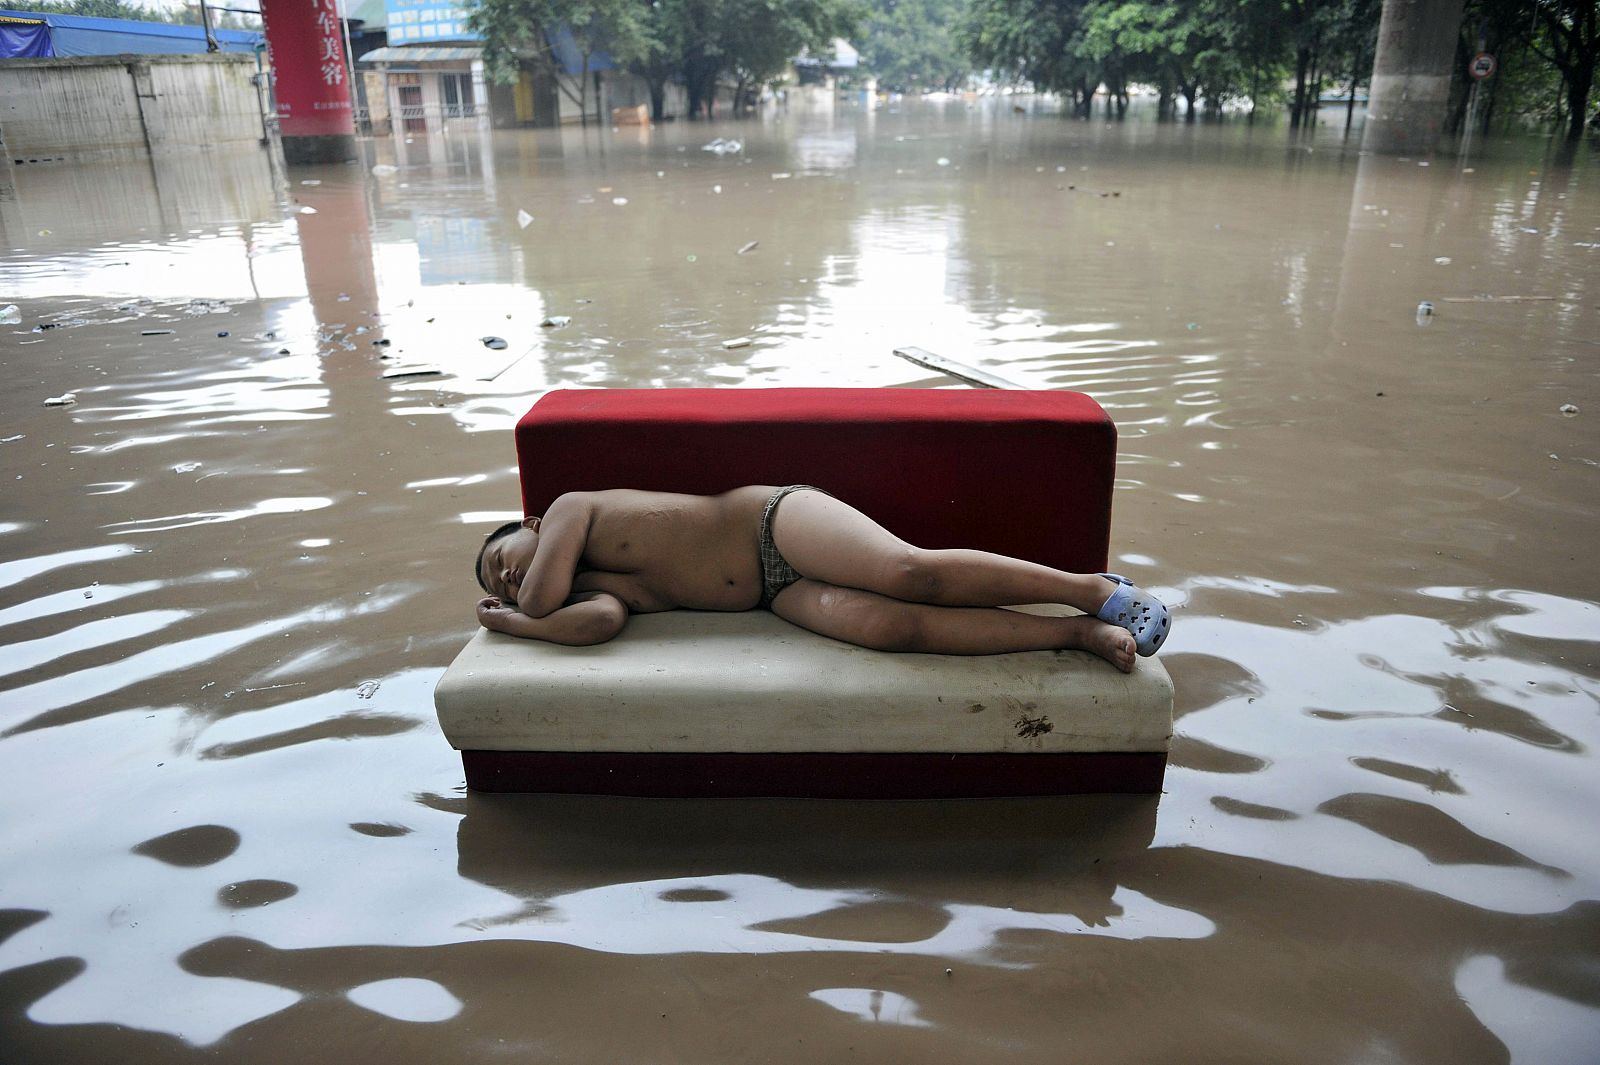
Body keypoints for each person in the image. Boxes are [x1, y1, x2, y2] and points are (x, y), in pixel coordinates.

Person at [473, 486, 1170, 673]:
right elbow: (596, 625)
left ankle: (1091, 587)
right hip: (778, 593)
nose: (509, 581)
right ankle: (1075, 634)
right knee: (891, 629)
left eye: (504, 558)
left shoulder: (569, 511)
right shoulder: (596, 591)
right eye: (499, 587)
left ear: (530, 522)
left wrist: (521, 609)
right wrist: (510, 622)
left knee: (908, 572)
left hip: (771, 521)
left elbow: (540, 598)